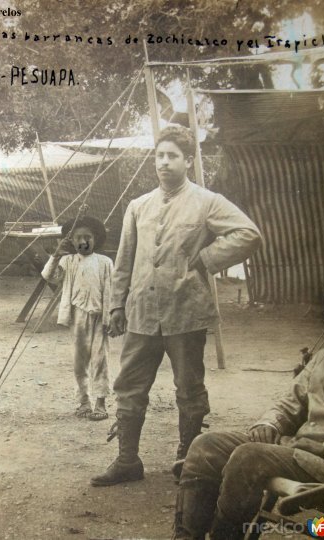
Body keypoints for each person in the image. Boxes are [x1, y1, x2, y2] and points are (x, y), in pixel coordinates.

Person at [172, 273, 324, 539]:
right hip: (298, 453)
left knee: (249, 456)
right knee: (206, 445)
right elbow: (291, 400)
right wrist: (270, 422)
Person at [92, 125, 262, 487]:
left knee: (189, 387)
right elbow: (124, 261)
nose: (164, 163)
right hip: (140, 311)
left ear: (189, 160)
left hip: (185, 311)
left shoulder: (207, 201)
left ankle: (188, 459)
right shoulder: (138, 206)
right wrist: (116, 306)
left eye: (173, 156)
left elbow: (249, 233)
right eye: (160, 156)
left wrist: (206, 257)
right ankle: (127, 460)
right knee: (129, 385)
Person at [41, 216, 114, 421]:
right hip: (77, 316)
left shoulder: (105, 262)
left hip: (99, 317)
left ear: (95, 239)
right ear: (71, 241)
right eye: (78, 238)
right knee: (79, 362)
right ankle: (83, 402)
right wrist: (56, 255)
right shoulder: (67, 261)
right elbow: (48, 275)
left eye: (88, 237)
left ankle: (100, 402)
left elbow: (112, 291)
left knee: (100, 360)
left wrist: (111, 317)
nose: (83, 242)